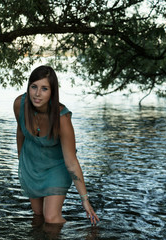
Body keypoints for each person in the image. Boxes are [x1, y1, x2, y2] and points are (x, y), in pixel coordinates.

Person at [13, 65, 100, 225]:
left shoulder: (62, 119)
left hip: (56, 167)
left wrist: (85, 200)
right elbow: (20, 131)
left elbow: (72, 162)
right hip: (31, 164)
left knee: (51, 218)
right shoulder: (20, 104)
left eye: (44, 88)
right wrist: (21, 161)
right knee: (38, 215)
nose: (37, 94)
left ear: (52, 92)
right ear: (28, 87)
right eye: (34, 87)